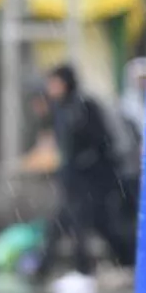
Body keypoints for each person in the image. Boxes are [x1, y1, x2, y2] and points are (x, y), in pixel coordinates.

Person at [35, 63, 136, 278]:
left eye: (54, 82)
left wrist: (81, 166)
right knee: (84, 223)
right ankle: (52, 267)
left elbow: (100, 142)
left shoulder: (83, 107)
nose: (50, 87)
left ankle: (79, 269)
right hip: (76, 179)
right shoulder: (60, 108)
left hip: (92, 179)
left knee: (81, 223)